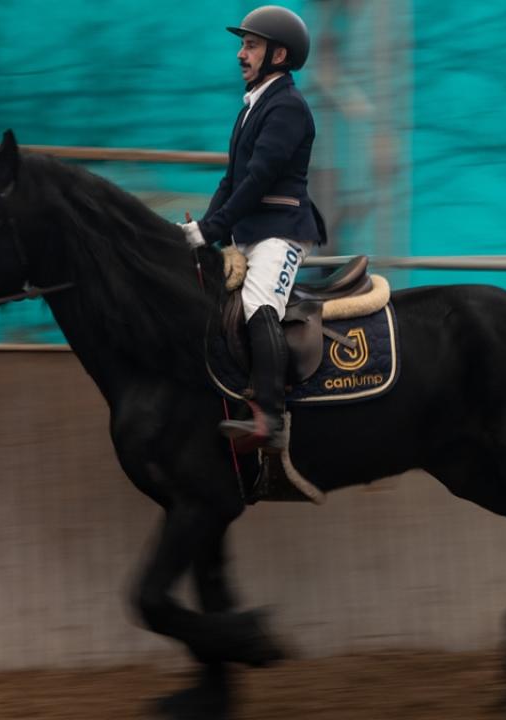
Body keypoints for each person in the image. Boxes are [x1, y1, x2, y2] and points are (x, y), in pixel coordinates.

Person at [179, 5, 323, 451]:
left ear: (278, 55)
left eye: (251, 46)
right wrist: (204, 232)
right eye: (243, 45)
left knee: (259, 304)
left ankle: (272, 419)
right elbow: (231, 180)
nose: (241, 54)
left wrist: (213, 227)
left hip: (281, 232)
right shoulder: (250, 107)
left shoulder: (288, 107)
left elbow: (259, 180)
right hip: (248, 233)